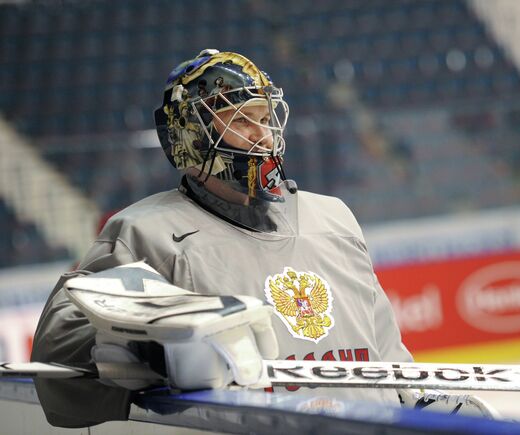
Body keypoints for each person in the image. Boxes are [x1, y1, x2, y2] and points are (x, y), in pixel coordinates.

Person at [31, 49, 496, 428]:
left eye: (265, 117)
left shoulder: (333, 217)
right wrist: (154, 347)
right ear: (189, 135)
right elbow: (59, 364)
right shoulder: (144, 233)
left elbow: (384, 354)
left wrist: (417, 403)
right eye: (241, 120)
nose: (264, 136)